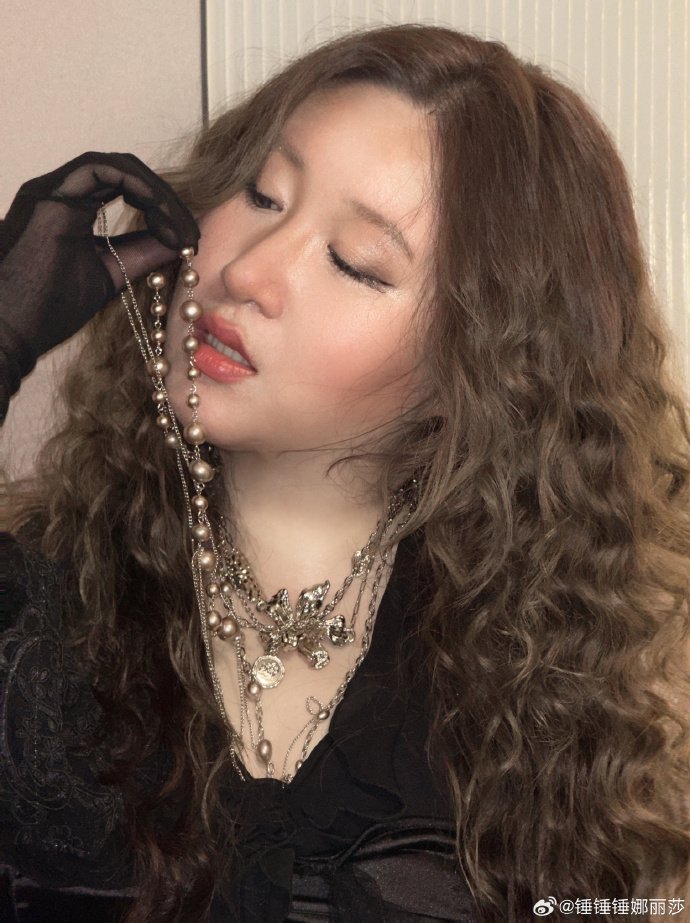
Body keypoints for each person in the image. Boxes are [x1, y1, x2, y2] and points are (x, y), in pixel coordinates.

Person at [2, 22, 690, 923]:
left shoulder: (594, 677)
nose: (248, 271)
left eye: (354, 263)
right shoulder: (32, 605)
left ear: (484, 365)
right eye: (261, 194)